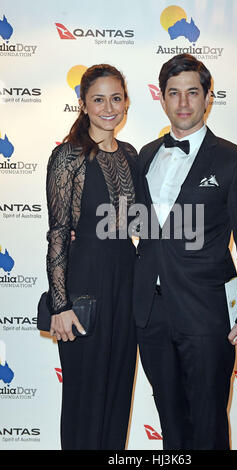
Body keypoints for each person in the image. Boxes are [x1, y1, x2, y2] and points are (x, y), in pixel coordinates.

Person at [133, 54, 237, 450]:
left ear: (208, 97)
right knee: (171, 424)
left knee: (208, 425)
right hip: (151, 315)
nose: (183, 103)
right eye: (174, 93)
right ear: (162, 99)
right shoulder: (145, 155)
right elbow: (138, 227)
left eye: (193, 92)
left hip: (206, 313)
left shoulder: (234, 160)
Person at [46, 64, 138, 450]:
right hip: (84, 289)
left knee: (118, 394)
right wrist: (60, 304)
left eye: (116, 98)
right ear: (82, 104)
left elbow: (141, 223)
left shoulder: (132, 154)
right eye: (98, 99)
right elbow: (57, 233)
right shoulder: (68, 157)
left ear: (126, 102)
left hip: (126, 285)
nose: (108, 107)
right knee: (84, 399)